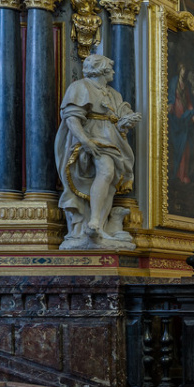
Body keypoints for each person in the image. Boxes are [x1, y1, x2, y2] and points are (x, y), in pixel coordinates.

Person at [56, 52, 140, 250]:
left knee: (111, 183)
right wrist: (85, 141)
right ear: (101, 70)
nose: (112, 72)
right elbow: (72, 118)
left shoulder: (113, 94)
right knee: (107, 170)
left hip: (112, 140)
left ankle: (99, 227)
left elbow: (117, 121)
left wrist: (125, 122)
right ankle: (93, 221)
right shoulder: (80, 87)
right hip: (91, 138)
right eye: (109, 68)